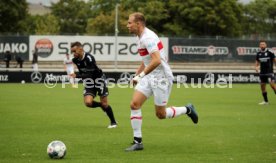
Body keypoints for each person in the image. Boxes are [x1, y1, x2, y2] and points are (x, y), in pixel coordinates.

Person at [125, 12, 198, 152]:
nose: (127, 25)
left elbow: (157, 60)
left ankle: (188, 109)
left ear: (138, 23)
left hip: (161, 77)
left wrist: (140, 77)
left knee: (161, 115)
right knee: (134, 104)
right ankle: (138, 141)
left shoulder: (148, 37)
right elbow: (146, 60)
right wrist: (137, 74)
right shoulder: (139, 37)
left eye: (129, 22)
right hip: (149, 76)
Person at [69, 41, 117, 128]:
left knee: (105, 104)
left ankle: (113, 122)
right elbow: (83, 73)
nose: (73, 54)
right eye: (72, 52)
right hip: (89, 82)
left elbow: (89, 74)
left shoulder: (89, 58)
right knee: (88, 103)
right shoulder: (75, 60)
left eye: (74, 51)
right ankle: (101, 106)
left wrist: (76, 76)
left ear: (80, 49)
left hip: (99, 80)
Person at [255, 40, 276, 105]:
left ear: (266, 45)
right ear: (259, 46)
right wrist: (256, 68)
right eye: (261, 44)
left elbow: (275, 60)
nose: (262, 45)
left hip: (269, 72)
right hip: (262, 73)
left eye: (263, 44)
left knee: (272, 86)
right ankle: (266, 101)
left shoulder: (270, 52)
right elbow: (257, 63)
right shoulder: (258, 54)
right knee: (262, 87)